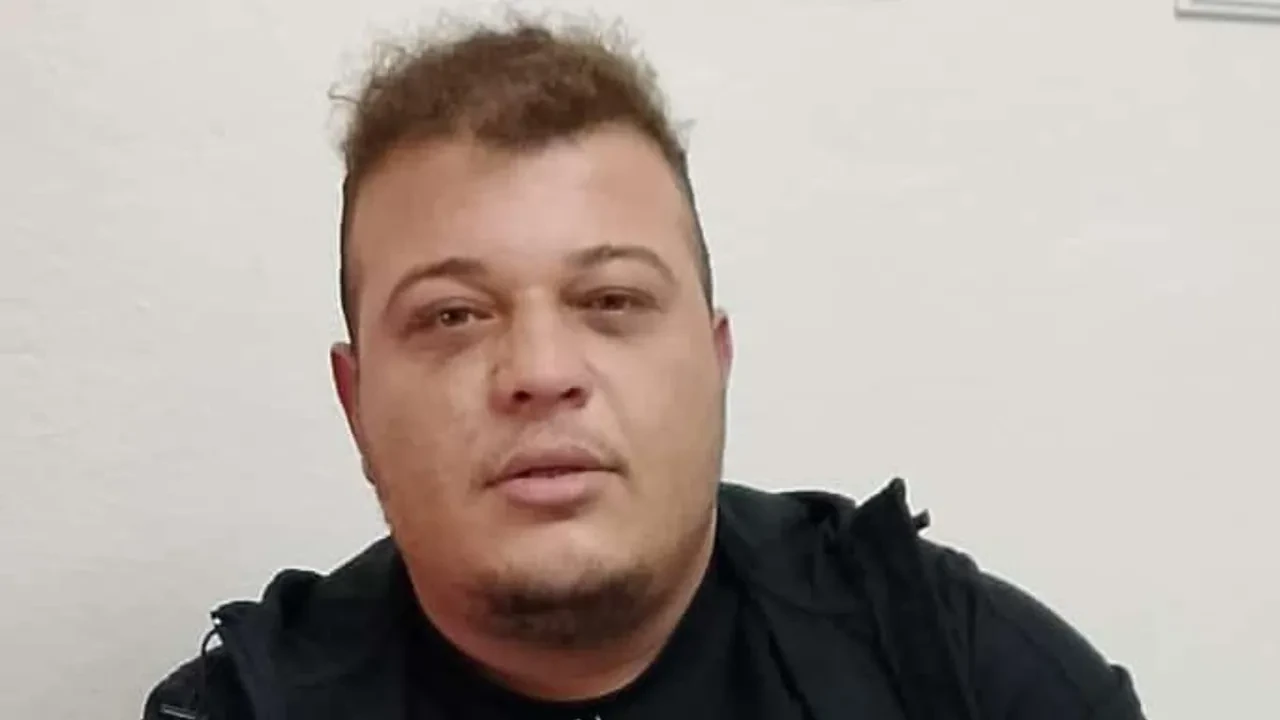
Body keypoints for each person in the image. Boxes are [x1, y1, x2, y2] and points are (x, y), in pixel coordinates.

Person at [143, 17, 1145, 720]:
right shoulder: (248, 708)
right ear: (357, 406)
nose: (540, 371)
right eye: (452, 316)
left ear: (715, 361)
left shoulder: (955, 668)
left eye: (611, 301)